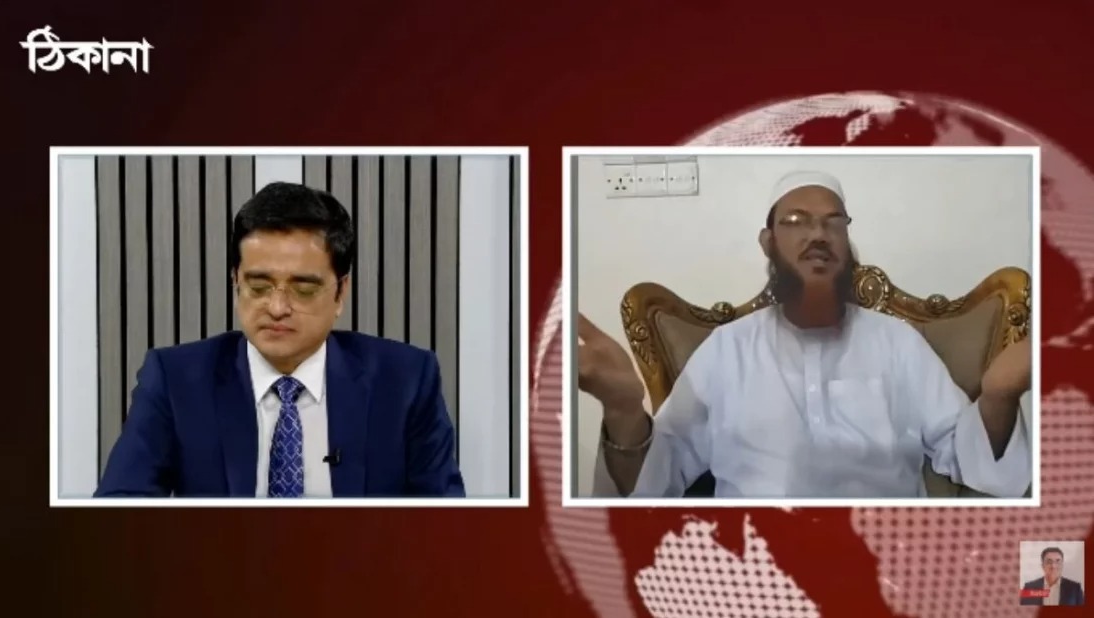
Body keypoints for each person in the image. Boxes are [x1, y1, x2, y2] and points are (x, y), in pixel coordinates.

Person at [578, 170, 1032, 498]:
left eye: (834, 222)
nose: (818, 234)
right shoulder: (727, 350)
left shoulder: (898, 342)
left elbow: (968, 456)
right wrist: (623, 411)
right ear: (768, 243)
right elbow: (657, 480)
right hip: (754, 561)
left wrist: (998, 395)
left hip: (888, 554)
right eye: (796, 221)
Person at [96, 182, 465, 498]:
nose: (277, 308)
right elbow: (118, 514)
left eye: (303, 289)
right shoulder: (175, 380)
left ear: (341, 293)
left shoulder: (405, 381)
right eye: (258, 286)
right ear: (235, 281)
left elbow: (444, 526)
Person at [1021, 547, 1085, 606]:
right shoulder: (1029, 587)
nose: (1053, 566)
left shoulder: (1075, 589)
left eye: (1058, 561)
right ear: (1042, 566)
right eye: (1049, 562)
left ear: (1062, 565)